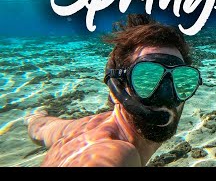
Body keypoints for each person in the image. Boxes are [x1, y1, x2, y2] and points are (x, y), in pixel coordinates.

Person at [25, 14, 202, 167]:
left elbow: (40, 128)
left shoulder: (79, 128)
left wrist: (34, 117)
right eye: (147, 79)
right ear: (115, 89)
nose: (166, 96)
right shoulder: (117, 154)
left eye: (182, 80)